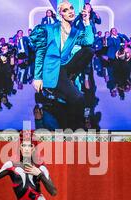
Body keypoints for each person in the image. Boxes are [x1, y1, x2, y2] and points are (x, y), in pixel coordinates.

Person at [30, 1, 95, 130]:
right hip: (52, 69)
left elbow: (89, 41)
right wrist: (37, 77)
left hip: (65, 66)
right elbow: (40, 53)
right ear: (60, 14)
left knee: (89, 50)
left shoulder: (75, 32)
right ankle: (73, 130)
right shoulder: (49, 29)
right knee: (78, 98)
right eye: (66, 10)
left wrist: (87, 22)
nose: (70, 11)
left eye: (71, 8)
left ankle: (70, 76)